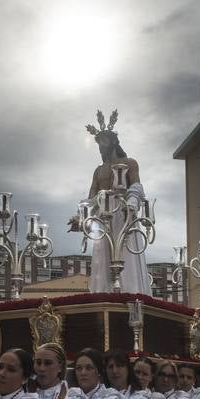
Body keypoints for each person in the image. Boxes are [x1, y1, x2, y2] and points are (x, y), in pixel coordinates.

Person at [82, 112, 149, 295]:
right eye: (98, 145)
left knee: (127, 253)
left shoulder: (130, 163)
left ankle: (130, 293)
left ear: (112, 142)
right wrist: (81, 217)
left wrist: (132, 205)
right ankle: (104, 293)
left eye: (102, 143)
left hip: (124, 213)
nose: (100, 148)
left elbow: (136, 186)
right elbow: (91, 198)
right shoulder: (98, 171)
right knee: (102, 257)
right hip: (103, 218)